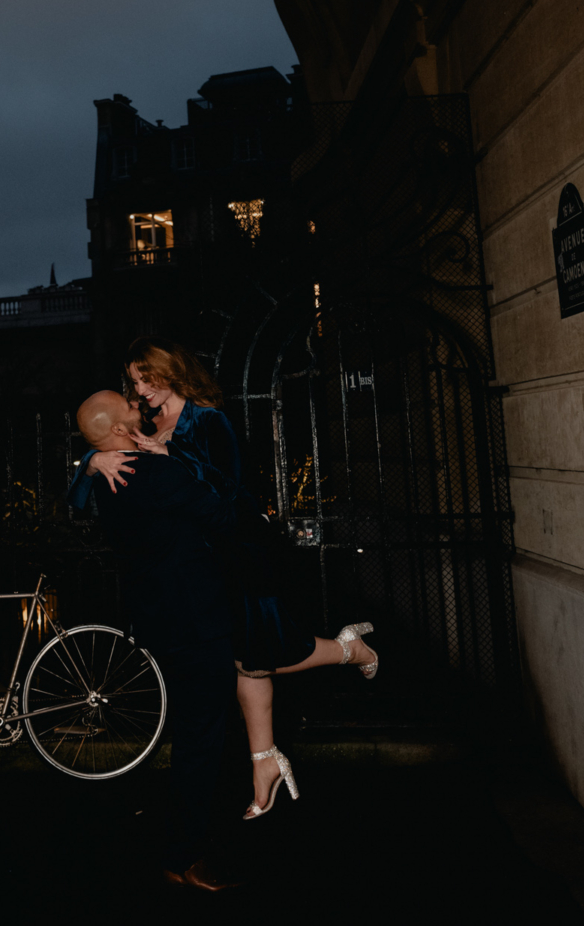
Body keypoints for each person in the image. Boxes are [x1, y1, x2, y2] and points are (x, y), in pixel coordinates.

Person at [69, 337, 378, 819]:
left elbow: (231, 493)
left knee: (258, 653)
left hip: (236, 553)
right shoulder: (141, 423)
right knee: (243, 660)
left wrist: (172, 461)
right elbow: (100, 449)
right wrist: (90, 463)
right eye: (133, 381)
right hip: (198, 567)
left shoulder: (208, 420)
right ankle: (265, 762)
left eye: (145, 377)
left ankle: (345, 649)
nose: (139, 388)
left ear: (169, 371)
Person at [74, 390, 242, 891]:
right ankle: (186, 855)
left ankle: (185, 845)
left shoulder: (107, 481)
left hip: (160, 622)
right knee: (202, 739)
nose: (136, 403)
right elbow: (225, 514)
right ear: (122, 429)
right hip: (197, 621)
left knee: (194, 733)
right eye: (127, 405)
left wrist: (90, 460)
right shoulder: (158, 474)